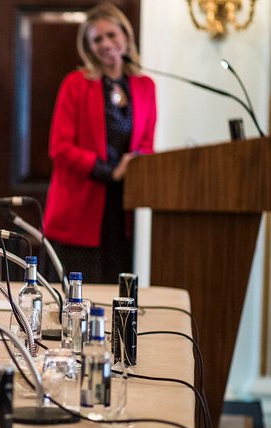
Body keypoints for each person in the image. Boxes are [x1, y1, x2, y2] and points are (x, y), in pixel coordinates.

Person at [43, 2, 156, 283]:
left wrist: (138, 164)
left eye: (111, 35)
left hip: (124, 211)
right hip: (80, 209)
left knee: (115, 298)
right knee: (78, 300)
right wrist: (111, 170)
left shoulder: (145, 86)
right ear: (89, 47)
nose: (106, 44)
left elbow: (146, 143)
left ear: (126, 37)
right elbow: (60, 147)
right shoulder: (77, 83)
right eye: (97, 39)